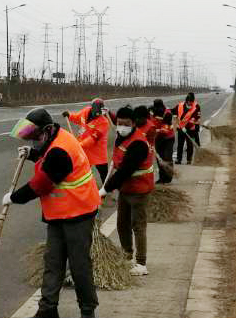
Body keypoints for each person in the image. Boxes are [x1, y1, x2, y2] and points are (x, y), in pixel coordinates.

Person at [6, 107, 101, 318]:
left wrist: (14, 197)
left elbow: (41, 184)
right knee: (53, 262)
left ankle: (87, 311)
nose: (34, 141)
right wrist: (32, 154)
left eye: (36, 137)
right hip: (58, 214)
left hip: (78, 212)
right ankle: (48, 310)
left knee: (79, 265)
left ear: (48, 130)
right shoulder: (54, 139)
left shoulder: (61, 150)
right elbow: (45, 155)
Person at [102, 105, 153, 275]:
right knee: (122, 224)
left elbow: (125, 171)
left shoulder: (139, 143)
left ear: (133, 124)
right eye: (119, 123)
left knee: (138, 226)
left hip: (139, 189)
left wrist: (106, 189)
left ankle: (141, 263)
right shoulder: (122, 136)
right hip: (125, 189)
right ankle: (127, 256)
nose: (121, 127)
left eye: (126, 124)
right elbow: (119, 159)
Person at [63, 98, 110, 184]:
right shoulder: (85, 111)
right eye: (96, 114)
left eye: (99, 114)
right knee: (82, 171)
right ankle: (83, 186)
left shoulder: (104, 122)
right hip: (85, 150)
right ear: (92, 108)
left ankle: (106, 188)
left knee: (104, 174)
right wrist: (69, 115)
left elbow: (93, 138)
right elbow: (77, 118)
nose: (97, 116)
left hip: (98, 151)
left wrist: (80, 145)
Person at [151, 99, 175, 183]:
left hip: (168, 138)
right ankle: (162, 177)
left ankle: (168, 177)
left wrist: (155, 131)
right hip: (158, 138)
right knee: (159, 159)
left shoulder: (167, 113)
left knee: (167, 157)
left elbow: (165, 131)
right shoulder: (152, 111)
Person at [175, 92, 202, 165]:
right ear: (186, 101)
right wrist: (168, 110)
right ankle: (178, 159)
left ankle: (189, 160)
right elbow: (174, 112)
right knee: (180, 145)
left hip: (191, 130)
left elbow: (196, 118)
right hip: (181, 129)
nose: (190, 103)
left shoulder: (196, 107)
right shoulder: (180, 105)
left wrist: (187, 127)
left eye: (191, 102)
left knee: (190, 145)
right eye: (188, 102)